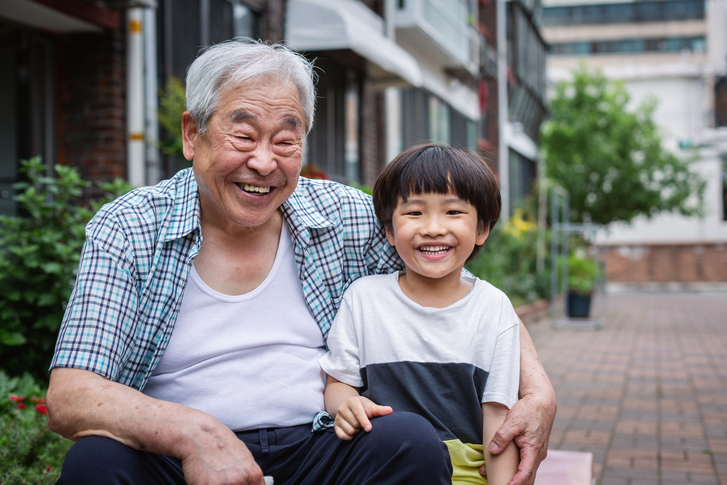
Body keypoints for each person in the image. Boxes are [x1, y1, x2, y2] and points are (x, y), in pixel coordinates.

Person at [46, 39, 556, 485]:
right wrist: (194, 434)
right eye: (243, 136)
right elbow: (71, 395)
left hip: (319, 443)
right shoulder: (131, 226)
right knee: (95, 462)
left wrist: (535, 388)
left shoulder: (346, 214)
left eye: (286, 141)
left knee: (408, 441)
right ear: (191, 135)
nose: (264, 163)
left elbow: (455, 281)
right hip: (176, 455)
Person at [320, 144, 521, 485]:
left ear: (482, 229)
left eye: (453, 212)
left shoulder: (494, 307)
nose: (432, 228)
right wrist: (345, 406)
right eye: (414, 213)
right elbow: (339, 383)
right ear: (388, 230)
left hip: (467, 476)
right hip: (387, 469)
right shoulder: (364, 298)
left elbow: (498, 415)